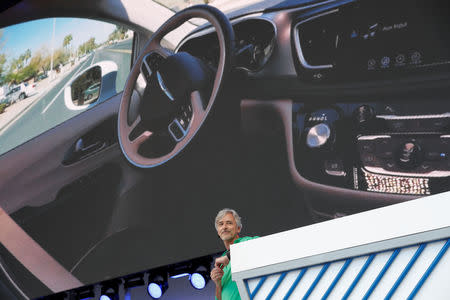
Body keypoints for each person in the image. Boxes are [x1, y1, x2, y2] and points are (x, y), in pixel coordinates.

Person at [210, 208, 258, 300]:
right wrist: (218, 284)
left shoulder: (245, 242)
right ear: (218, 232)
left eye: (229, 223)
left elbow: (261, 244)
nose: (224, 227)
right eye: (221, 224)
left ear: (238, 228)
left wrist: (228, 257)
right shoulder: (221, 260)